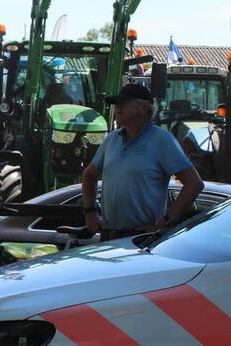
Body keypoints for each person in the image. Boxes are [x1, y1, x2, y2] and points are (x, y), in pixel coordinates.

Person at [82, 83, 204, 239]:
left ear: (144, 108)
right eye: (117, 103)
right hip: (108, 237)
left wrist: (166, 222)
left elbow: (194, 183)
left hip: (140, 239)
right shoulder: (112, 138)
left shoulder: (162, 140)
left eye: (124, 103)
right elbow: (89, 175)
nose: (118, 107)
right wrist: (90, 212)